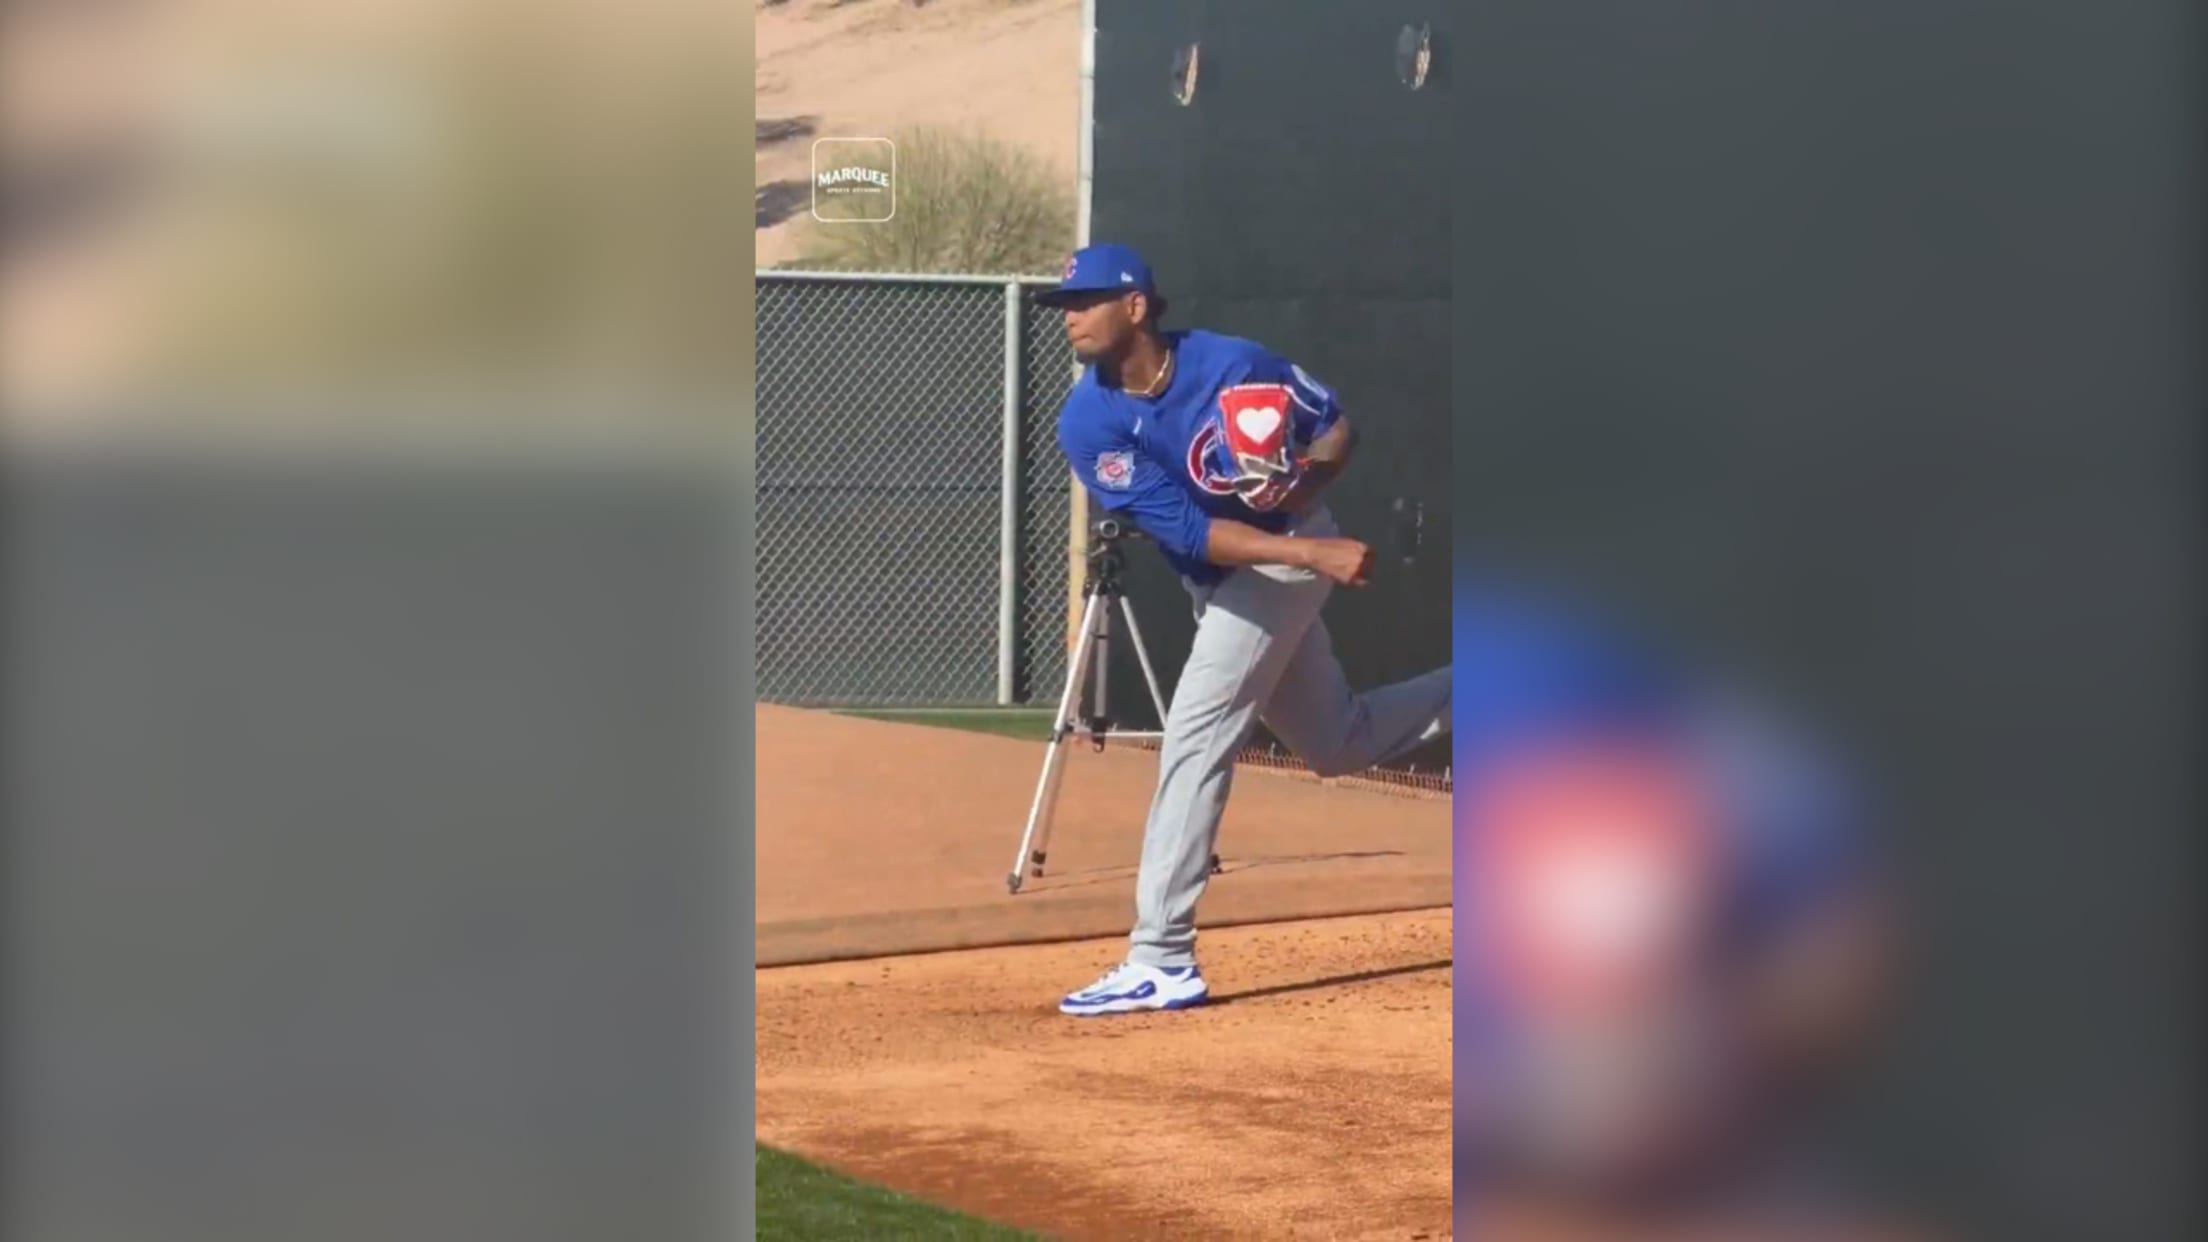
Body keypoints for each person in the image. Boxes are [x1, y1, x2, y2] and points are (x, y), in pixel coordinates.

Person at [1039, 242, 1453, 1017]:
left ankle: (1161, 955)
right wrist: (1312, 549)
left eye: (1086, 301)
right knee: (1337, 742)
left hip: (1282, 565)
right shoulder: (1088, 421)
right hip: (1255, 562)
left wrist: (1307, 481)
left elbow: (1334, 427)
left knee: (1195, 734)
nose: (1071, 318)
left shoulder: (1233, 364)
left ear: (1135, 306)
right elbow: (1192, 534)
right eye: (1064, 305)